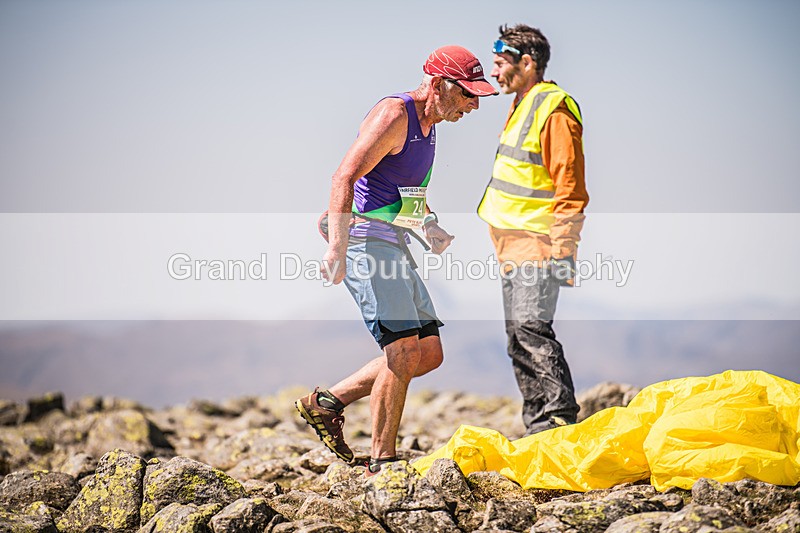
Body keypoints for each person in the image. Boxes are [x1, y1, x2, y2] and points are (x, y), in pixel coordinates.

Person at [296, 46, 497, 475]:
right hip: (364, 239)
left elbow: (404, 191)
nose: (474, 105)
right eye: (467, 94)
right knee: (402, 350)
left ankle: (327, 403)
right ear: (439, 84)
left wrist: (430, 225)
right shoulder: (394, 115)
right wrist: (337, 247)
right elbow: (343, 176)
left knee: (428, 352)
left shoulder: (430, 124)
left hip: (394, 240)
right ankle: (381, 465)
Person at [477, 24, 589, 435]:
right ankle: (539, 427)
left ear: (527, 63)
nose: (494, 72)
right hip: (512, 247)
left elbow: (570, 188)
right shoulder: (522, 104)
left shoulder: (553, 110)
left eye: (500, 63)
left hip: (540, 245)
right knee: (518, 339)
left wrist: (563, 252)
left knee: (531, 330)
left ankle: (560, 420)